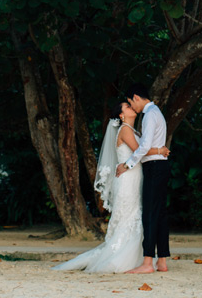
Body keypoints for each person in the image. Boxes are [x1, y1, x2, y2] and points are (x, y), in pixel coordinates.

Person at [53, 101, 169, 273]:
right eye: (127, 107)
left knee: (136, 215)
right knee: (128, 216)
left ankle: (142, 258)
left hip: (136, 178)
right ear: (121, 115)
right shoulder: (125, 130)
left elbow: (140, 151)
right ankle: (123, 257)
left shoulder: (133, 130)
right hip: (127, 179)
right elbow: (140, 151)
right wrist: (160, 151)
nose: (131, 107)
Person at [116, 83, 170, 274]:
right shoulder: (156, 112)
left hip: (154, 167)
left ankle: (148, 263)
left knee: (150, 213)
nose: (132, 106)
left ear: (136, 97)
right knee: (160, 213)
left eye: (131, 102)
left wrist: (127, 164)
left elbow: (144, 146)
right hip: (160, 166)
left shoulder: (149, 115)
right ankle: (161, 261)